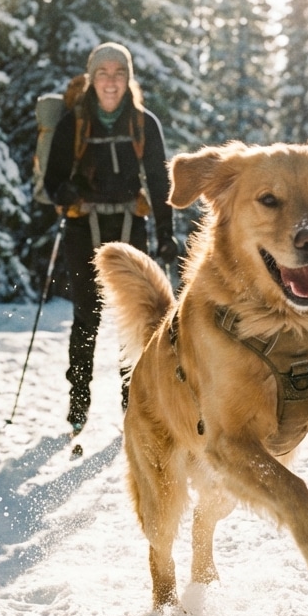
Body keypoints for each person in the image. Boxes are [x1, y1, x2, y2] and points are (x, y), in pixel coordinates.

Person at [44, 42, 179, 433]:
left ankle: (132, 402)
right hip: (82, 225)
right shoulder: (74, 122)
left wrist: (166, 234)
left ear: (128, 79)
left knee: (136, 318)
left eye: (118, 73)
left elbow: (158, 181)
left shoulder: (142, 123)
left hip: (129, 225)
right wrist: (67, 196)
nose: (110, 81)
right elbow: (53, 179)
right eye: (102, 73)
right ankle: (79, 398)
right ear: (91, 78)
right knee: (87, 313)